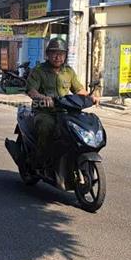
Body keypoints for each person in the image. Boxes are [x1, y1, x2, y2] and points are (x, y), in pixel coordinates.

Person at [26, 39, 92, 167]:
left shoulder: (68, 72)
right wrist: (42, 98)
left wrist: (91, 97)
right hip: (44, 112)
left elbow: (79, 89)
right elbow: (31, 91)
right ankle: (40, 159)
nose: (58, 57)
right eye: (54, 53)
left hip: (66, 112)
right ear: (47, 54)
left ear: (65, 55)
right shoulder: (39, 70)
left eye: (61, 54)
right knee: (46, 126)